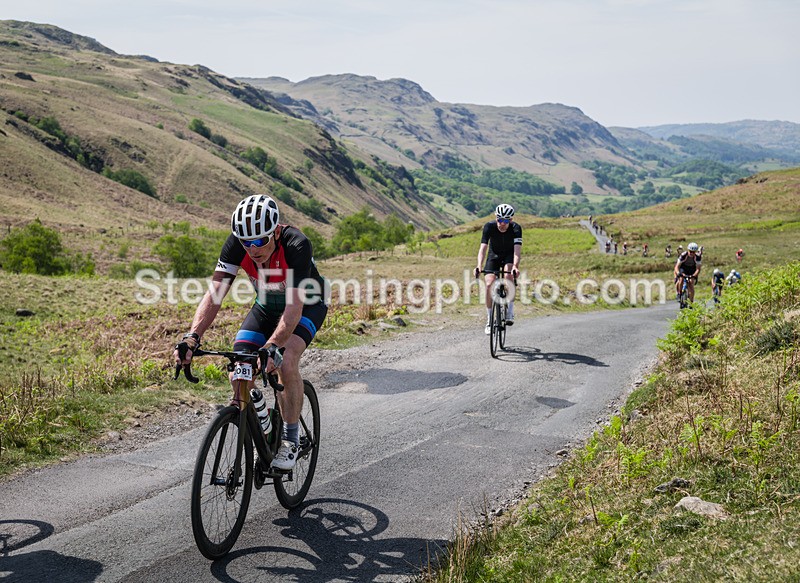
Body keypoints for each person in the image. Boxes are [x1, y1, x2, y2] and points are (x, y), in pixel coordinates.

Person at [174, 194, 327, 471]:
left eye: (259, 241)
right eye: (246, 242)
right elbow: (215, 295)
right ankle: (263, 419)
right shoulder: (236, 245)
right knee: (238, 368)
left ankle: (290, 440)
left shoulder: (296, 245)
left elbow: (293, 310)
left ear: (275, 232)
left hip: (307, 305)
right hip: (267, 306)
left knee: (287, 359)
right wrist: (192, 336)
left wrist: (272, 346)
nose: (252, 248)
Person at [474, 204, 522, 335]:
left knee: (508, 277)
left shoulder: (516, 228)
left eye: (506, 221)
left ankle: (510, 311)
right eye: (500, 220)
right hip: (493, 255)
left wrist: (515, 267)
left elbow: (517, 251)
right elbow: (483, 248)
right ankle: (490, 320)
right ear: (496, 217)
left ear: (511, 220)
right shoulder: (489, 227)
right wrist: (479, 265)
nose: (502, 223)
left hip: (509, 255)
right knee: (489, 284)